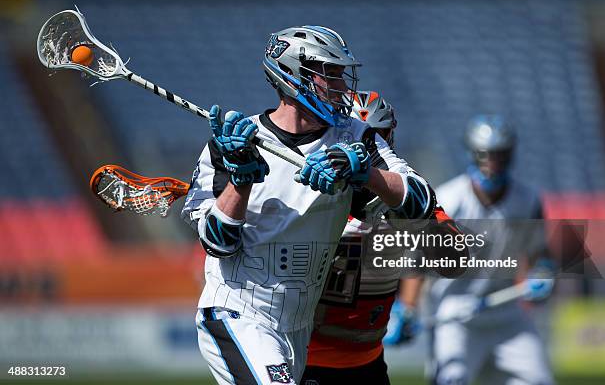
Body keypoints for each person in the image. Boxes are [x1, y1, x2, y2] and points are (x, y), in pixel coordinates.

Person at [181, 26, 437, 385]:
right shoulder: (232, 144)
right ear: (291, 74)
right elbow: (218, 243)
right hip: (239, 312)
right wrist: (240, 179)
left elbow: (421, 201)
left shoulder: (356, 136)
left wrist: (364, 171)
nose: (342, 86)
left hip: (297, 330)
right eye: (329, 74)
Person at [301, 91, 462, 385]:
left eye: (377, 138)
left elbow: (455, 260)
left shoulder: (406, 192)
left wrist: (412, 220)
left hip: (369, 361)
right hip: (304, 358)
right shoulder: (306, 186)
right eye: (359, 139)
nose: (368, 148)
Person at [427, 115, 556, 385]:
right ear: (472, 154)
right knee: (451, 379)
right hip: (456, 315)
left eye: (500, 155)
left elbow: (537, 254)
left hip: (506, 314)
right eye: (486, 155)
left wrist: (542, 273)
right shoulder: (448, 199)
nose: (493, 163)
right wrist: (406, 307)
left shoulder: (527, 199)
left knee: (539, 380)